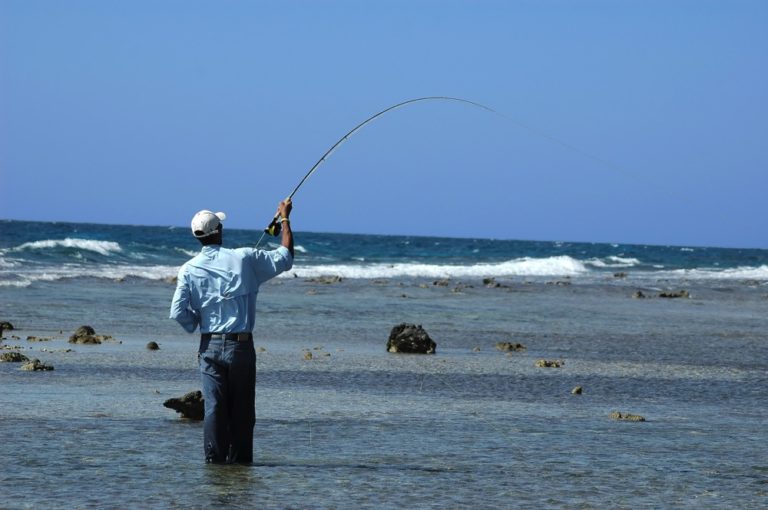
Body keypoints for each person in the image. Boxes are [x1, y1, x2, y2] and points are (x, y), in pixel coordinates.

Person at [169, 199, 294, 464]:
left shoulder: (188, 269)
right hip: (240, 346)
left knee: (214, 408)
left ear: (197, 236)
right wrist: (284, 219)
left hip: (209, 346)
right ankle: (240, 465)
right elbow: (285, 258)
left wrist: (198, 323)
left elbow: (178, 312)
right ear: (219, 231)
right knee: (242, 411)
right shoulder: (244, 258)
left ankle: (214, 464)